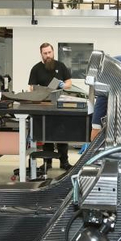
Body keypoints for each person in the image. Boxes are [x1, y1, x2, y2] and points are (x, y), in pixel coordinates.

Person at [28, 42, 73, 170]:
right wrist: (40, 91)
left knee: (62, 135)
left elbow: (69, 82)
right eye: (45, 53)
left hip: (60, 106)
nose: (48, 55)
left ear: (53, 52)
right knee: (46, 135)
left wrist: (63, 85)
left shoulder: (61, 66)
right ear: (41, 54)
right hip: (44, 106)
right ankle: (47, 163)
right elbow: (31, 87)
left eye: (49, 52)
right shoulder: (36, 69)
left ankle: (64, 162)